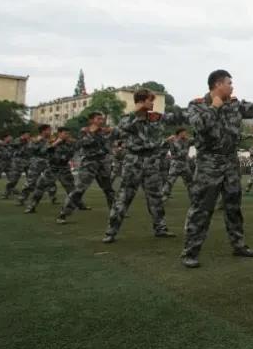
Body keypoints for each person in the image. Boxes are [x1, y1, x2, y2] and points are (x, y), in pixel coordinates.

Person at [179, 70, 253, 268]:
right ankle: (190, 252)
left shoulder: (234, 104)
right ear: (218, 85)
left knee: (233, 206)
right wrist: (214, 108)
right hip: (209, 162)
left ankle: (238, 245)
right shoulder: (197, 105)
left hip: (230, 162)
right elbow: (200, 126)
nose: (232, 87)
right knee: (202, 208)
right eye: (229, 83)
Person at [103, 89, 181, 243]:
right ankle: (111, 231)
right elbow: (120, 129)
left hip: (151, 161)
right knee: (125, 197)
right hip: (134, 161)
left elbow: (174, 118)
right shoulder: (129, 118)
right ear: (142, 100)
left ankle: (160, 228)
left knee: (155, 197)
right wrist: (135, 112)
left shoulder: (155, 118)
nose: (153, 103)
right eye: (150, 100)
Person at [57, 112, 116, 224]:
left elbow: (107, 145)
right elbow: (80, 144)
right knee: (79, 189)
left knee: (108, 189)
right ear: (91, 120)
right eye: (98, 119)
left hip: (102, 163)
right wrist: (91, 133)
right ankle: (64, 213)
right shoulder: (84, 131)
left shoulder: (103, 132)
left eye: (102, 119)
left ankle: (116, 211)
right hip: (89, 163)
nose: (101, 121)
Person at [24, 127, 78, 213]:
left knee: (71, 189)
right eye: (65, 133)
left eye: (68, 134)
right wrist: (55, 143)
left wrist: (69, 144)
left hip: (64, 168)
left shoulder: (71, 143)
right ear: (59, 133)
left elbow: (73, 151)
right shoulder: (52, 141)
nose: (67, 135)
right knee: (40, 187)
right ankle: (32, 206)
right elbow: (43, 151)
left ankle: (75, 205)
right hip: (52, 168)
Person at [163, 128, 195, 201]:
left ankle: (193, 197)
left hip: (185, 164)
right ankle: (165, 195)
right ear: (179, 133)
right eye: (183, 132)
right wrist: (167, 139)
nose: (185, 134)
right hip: (175, 164)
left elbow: (198, 140)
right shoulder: (172, 141)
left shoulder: (188, 141)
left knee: (190, 183)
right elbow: (161, 145)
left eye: (185, 132)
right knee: (170, 181)